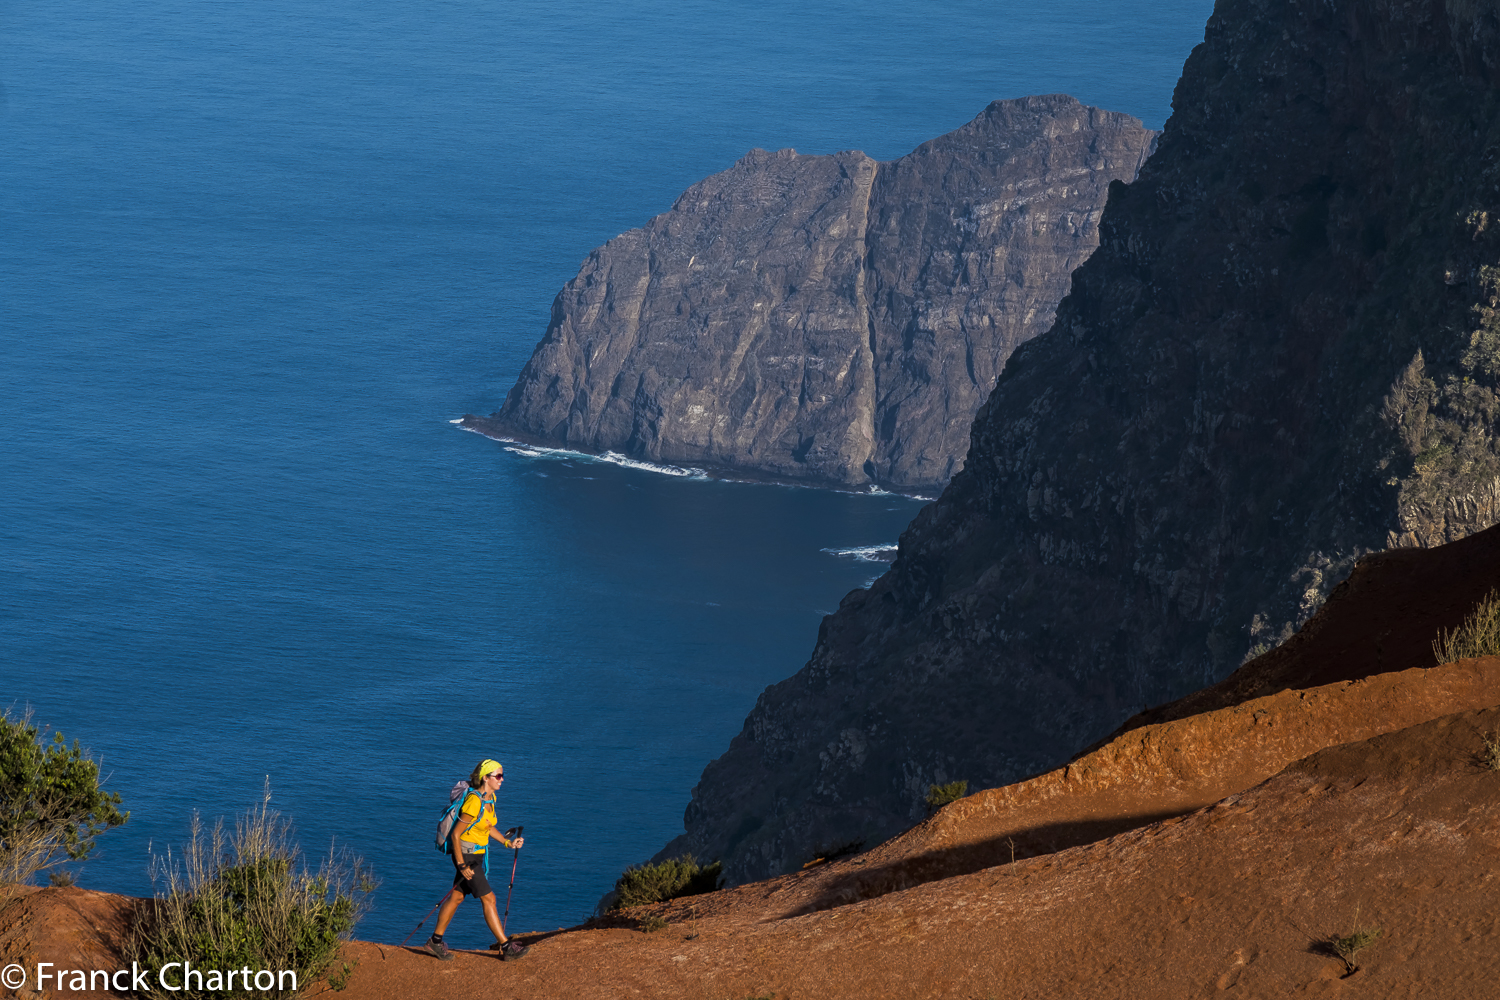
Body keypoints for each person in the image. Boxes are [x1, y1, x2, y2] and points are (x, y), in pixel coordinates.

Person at [425, 759, 529, 961]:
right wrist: (462, 865)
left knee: (456, 897)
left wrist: (507, 843)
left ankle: (434, 943)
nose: (502, 779)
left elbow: (488, 826)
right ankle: (506, 947)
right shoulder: (475, 801)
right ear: (485, 778)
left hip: (477, 856)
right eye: (498, 776)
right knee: (489, 898)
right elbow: (456, 835)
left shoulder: (491, 799)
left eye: (502, 775)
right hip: (467, 858)